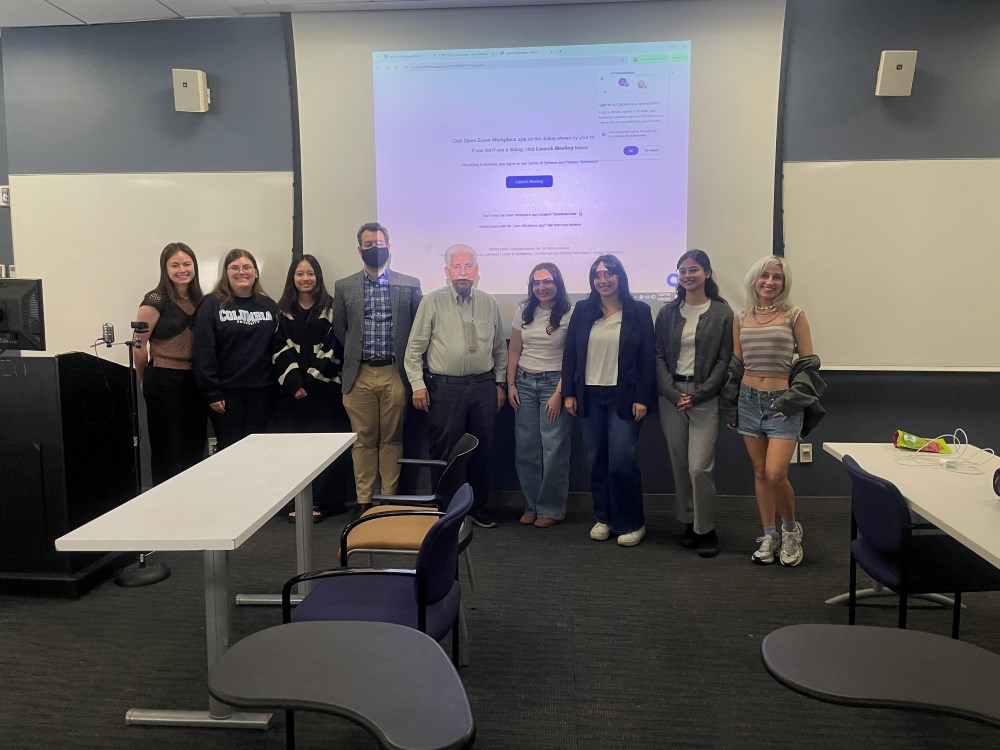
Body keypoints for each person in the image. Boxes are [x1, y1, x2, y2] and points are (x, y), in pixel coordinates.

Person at [404, 243, 508, 528]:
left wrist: (500, 383)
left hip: (484, 387)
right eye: (457, 267)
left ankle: (477, 507)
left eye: (468, 266)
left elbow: (500, 349)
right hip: (445, 388)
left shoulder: (489, 303)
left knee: (482, 450)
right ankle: (446, 511)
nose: (463, 272)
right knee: (445, 452)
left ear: (476, 270)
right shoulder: (431, 302)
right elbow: (414, 350)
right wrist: (417, 385)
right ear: (447, 271)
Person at [726, 255, 819, 567]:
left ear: (784, 283)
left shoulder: (794, 315)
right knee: (759, 472)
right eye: (764, 276)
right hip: (748, 400)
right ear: (755, 279)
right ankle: (769, 535)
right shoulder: (741, 317)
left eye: (777, 277)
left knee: (775, 473)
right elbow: (737, 364)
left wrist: (793, 400)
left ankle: (790, 530)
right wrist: (730, 406)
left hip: (783, 403)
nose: (770, 282)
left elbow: (808, 365)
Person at [562, 254, 654, 547]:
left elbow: (647, 358)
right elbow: (570, 353)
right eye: (597, 275)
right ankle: (604, 518)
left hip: (623, 397)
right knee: (596, 460)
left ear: (619, 277)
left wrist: (642, 397)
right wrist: (569, 393)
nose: (602, 280)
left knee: (621, 462)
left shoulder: (639, 311)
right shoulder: (583, 310)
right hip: (589, 395)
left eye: (608, 273)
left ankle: (632, 522)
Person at [333, 222, 423, 514]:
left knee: (391, 439)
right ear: (360, 250)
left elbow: (418, 331)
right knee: (362, 440)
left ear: (389, 246)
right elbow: (341, 329)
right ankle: (364, 501)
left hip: (395, 373)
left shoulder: (410, 284)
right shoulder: (344, 286)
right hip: (359, 374)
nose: (375, 248)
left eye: (379, 243)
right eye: (368, 244)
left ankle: (387, 500)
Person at [654, 250, 733, 558]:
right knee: (680, 464)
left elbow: (724, 360)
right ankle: (688, 523)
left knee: (699, 467)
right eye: (683, 270)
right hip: (672, 396)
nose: (687, 275)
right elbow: (658, 356)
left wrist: (699, 394)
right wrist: (672, 393)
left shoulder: (723, 313)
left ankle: (706, 528)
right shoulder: (667, 313)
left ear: (707, 273)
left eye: (694, 269)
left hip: (705, 397)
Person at [273, 254, 351, 521]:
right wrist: (296, 383)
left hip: (324, 394)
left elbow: (334, 348)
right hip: (291, 396)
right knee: (294, 450)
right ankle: (294, 502)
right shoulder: (281, 312)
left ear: (318, 277)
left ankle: (323, 502)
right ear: (292, 278)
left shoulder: (332, 309)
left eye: (310, 274)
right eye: (300, 274)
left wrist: (311, 383)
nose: (305, 278)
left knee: (324, 449)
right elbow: (278, 348)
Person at [133, 242, 206, 485]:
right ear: (165, 269)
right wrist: (144, 378)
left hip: (194, 380)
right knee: (167, 448)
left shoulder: (200, 300)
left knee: (194, 446)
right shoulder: (155, 299)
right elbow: (139, 345)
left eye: (187, 264)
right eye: (175, 265)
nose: (182, 270)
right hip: (164, 378)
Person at [508, 263, 574, 528]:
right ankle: (532, 506)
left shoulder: (570, 313)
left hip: (553, 385)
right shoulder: (524, 310)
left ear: (557, 283)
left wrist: (560, 392)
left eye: (547, 281)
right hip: (523, 383)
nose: (541, 287)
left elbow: (572, 357)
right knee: (526, 449)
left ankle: (551, 509)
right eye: (536, 283)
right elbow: (514, 350)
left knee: (554, 449)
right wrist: (510, 384)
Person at [193, 248, 278, 451]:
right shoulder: (212, 304)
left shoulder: (269, 305)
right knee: (230, 450)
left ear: (255, 272)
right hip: (226, 395)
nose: (241, 272)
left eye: (247, 267)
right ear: (226, 272)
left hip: (262, 392)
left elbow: (276, 348)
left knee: (257, 450)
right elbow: (203, 350)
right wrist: (212, 393)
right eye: (235, 268)